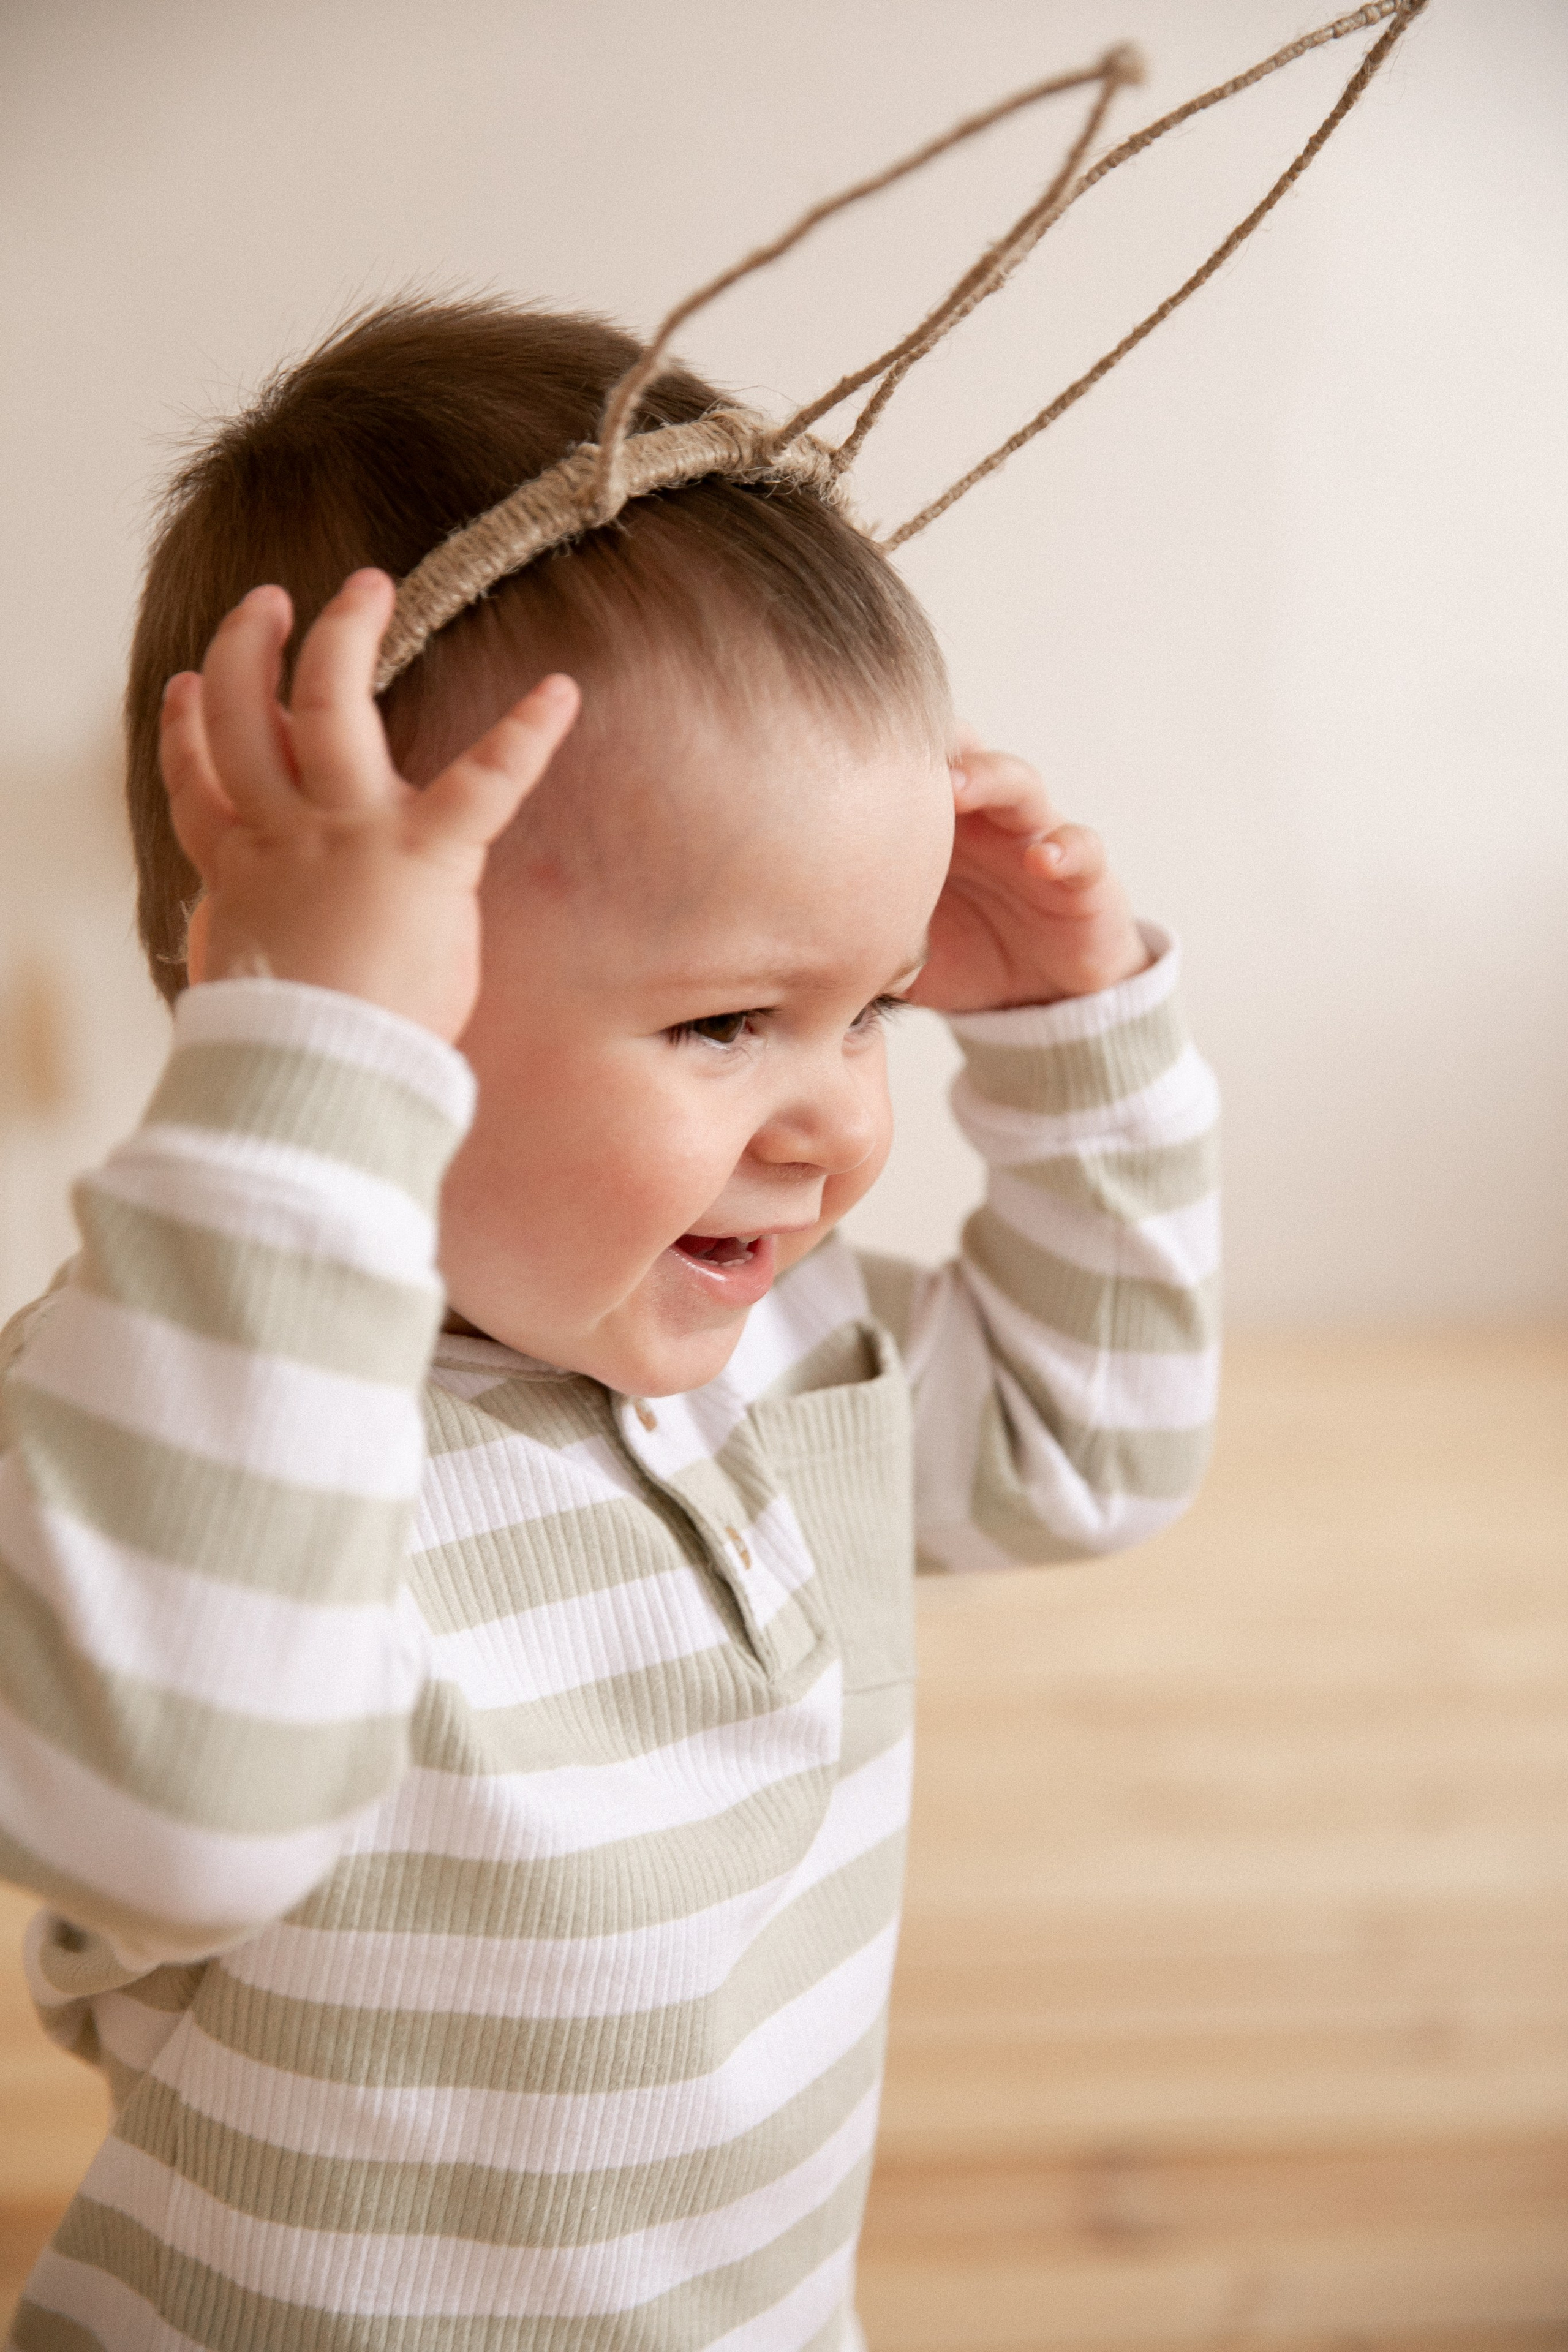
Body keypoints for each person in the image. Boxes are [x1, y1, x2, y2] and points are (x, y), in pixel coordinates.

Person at [1, 298, 1219, 2351]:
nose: (842, 1125)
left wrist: (1076, 1036)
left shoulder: (773, 1339)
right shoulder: (173, 1424)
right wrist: (300, 1071)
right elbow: (178, 1811)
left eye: (875, 1008)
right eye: (729, 1022)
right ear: (323, 997)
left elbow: (1085, 1458)